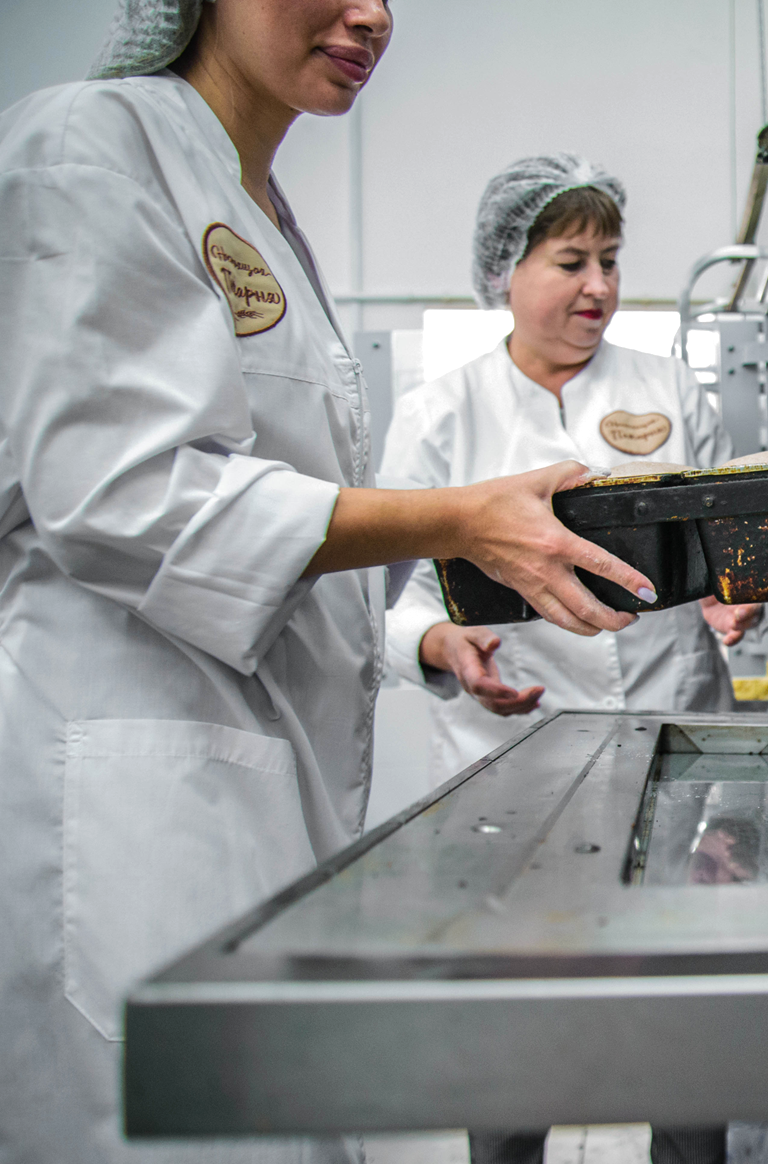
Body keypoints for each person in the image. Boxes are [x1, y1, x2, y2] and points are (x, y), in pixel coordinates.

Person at [0, 3, 658, 1162]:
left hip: (262, 790)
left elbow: (316, 549)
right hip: (139, 802)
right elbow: (121, 493)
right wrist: (458, 529)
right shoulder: (90, 145)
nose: (374, 14)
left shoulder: (258, 213)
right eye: (569, 260)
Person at [380, 154, 763, 784]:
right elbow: (394, 591)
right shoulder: (439, 413)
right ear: (504, 271)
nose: (600, 286)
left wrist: (734, 591)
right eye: (571, 263)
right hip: (513, 750)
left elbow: (730, 533)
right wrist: (439, 643)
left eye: (609, 261)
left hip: (676, 723)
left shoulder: (670, 386)